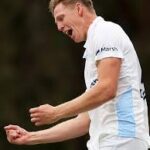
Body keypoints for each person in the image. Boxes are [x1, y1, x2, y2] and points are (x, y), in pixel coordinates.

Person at [4, 0, 150, 149]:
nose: (59, 27)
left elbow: (107, 89)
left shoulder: (106, 31)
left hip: (122, 140)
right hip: (108, 142)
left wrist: (56, 112)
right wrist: (31, 137)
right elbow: (85, 121)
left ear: (79, 9)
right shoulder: (93, 51)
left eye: (61, 18)